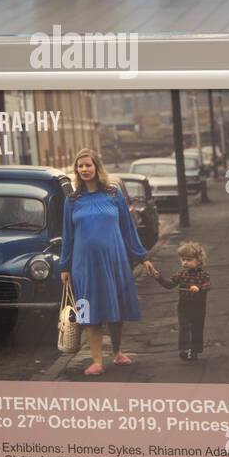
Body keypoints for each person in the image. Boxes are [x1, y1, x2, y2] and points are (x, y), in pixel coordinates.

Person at [59, 148, 157, 376]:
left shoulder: (114, 194)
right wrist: (65, 265)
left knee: (116, 308)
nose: (84, 169)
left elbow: (128, 229)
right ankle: (96, 361)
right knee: (89, 312)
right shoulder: (72, 200)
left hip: (115, 260)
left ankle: (117, 352)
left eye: (88, 165)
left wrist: (142, 257)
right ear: (76, 170)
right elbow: (68, 235)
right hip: (84, 264)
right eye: (80, 166)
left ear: (96, 168)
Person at [149, 241, 211, 361]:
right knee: (184, 327)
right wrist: (158, 277)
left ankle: (195, 350)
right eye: (183, 260)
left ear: (198, 260)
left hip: (198, 306)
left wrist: (198, 288)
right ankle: (186, 350)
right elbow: (169, 285)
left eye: (189, 260)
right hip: (184, 306)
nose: (185, 263)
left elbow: (207, 286)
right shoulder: (181, 274)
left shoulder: (204, 275)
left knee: (197, 328)